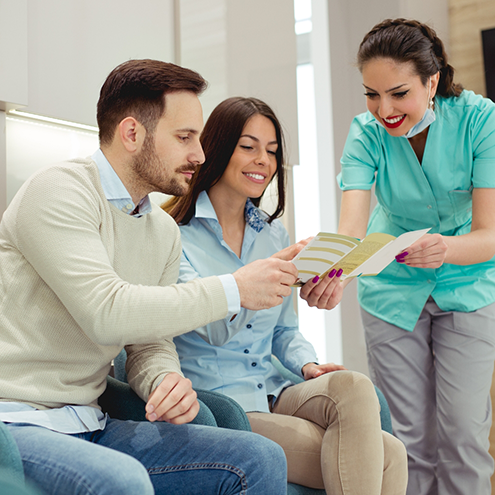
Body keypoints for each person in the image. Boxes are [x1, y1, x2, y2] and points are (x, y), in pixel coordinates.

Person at [0, 59, 298, 495]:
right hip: (17, 421)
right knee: (122, 481)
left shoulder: (160, 230)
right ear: (132, 133)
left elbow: (149, 341)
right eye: (184, 138)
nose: (199, 154)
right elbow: (108, 312)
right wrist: (234, 289)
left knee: (259, 457)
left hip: (91, 421)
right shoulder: (59, 192)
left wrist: (162, 379)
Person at [164, 96, 408, 495]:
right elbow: (212, 330)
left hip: (275, 387)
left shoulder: (272, 234)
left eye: (272, 151)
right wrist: (257, 278)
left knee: (355, 387)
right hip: (223, 404)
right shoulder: (173, 234)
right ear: (218, 147)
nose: (263, 159)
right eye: (249, 146)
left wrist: (307, 364)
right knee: (389, 456)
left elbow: (284, 331)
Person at [312, 18, 495, 495]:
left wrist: (446, 249)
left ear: (432, 80)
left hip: (469, 284)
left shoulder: (480, 120)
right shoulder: (365, 133)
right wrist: (332, 272)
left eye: (398, 93)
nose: (384, 110)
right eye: (372, 95)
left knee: (464, 436)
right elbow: (351, 227)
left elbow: (490, 233)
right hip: (391, 289)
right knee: (407, 441)